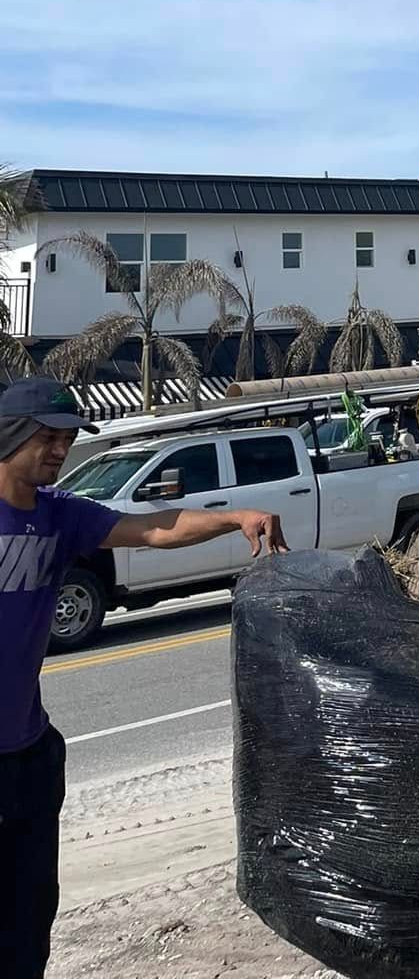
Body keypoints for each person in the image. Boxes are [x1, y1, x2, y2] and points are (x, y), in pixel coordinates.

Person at [0, 377, 287, 979]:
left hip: (27, 757)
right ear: (10, 437)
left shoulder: (61, 518)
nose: (60, 450)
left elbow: (156, 529)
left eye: (68, 439)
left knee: (27, 925)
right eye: (48, 438)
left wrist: (237, 517)